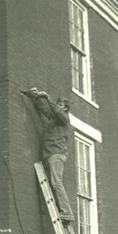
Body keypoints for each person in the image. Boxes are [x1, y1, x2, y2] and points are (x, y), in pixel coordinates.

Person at [22, 87, 74, 224]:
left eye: (61, 104)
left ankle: (66, 213)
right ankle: (64, 211)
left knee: (56, 183)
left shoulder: (64, 119)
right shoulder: (55, 119)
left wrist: (47, 96)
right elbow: (44, 111)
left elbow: (56, 111)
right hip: (50, 154)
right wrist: (36, 98)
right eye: (58, 103)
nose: (58, 106)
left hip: (57, 154)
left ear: (66, 108)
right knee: (54, 183)